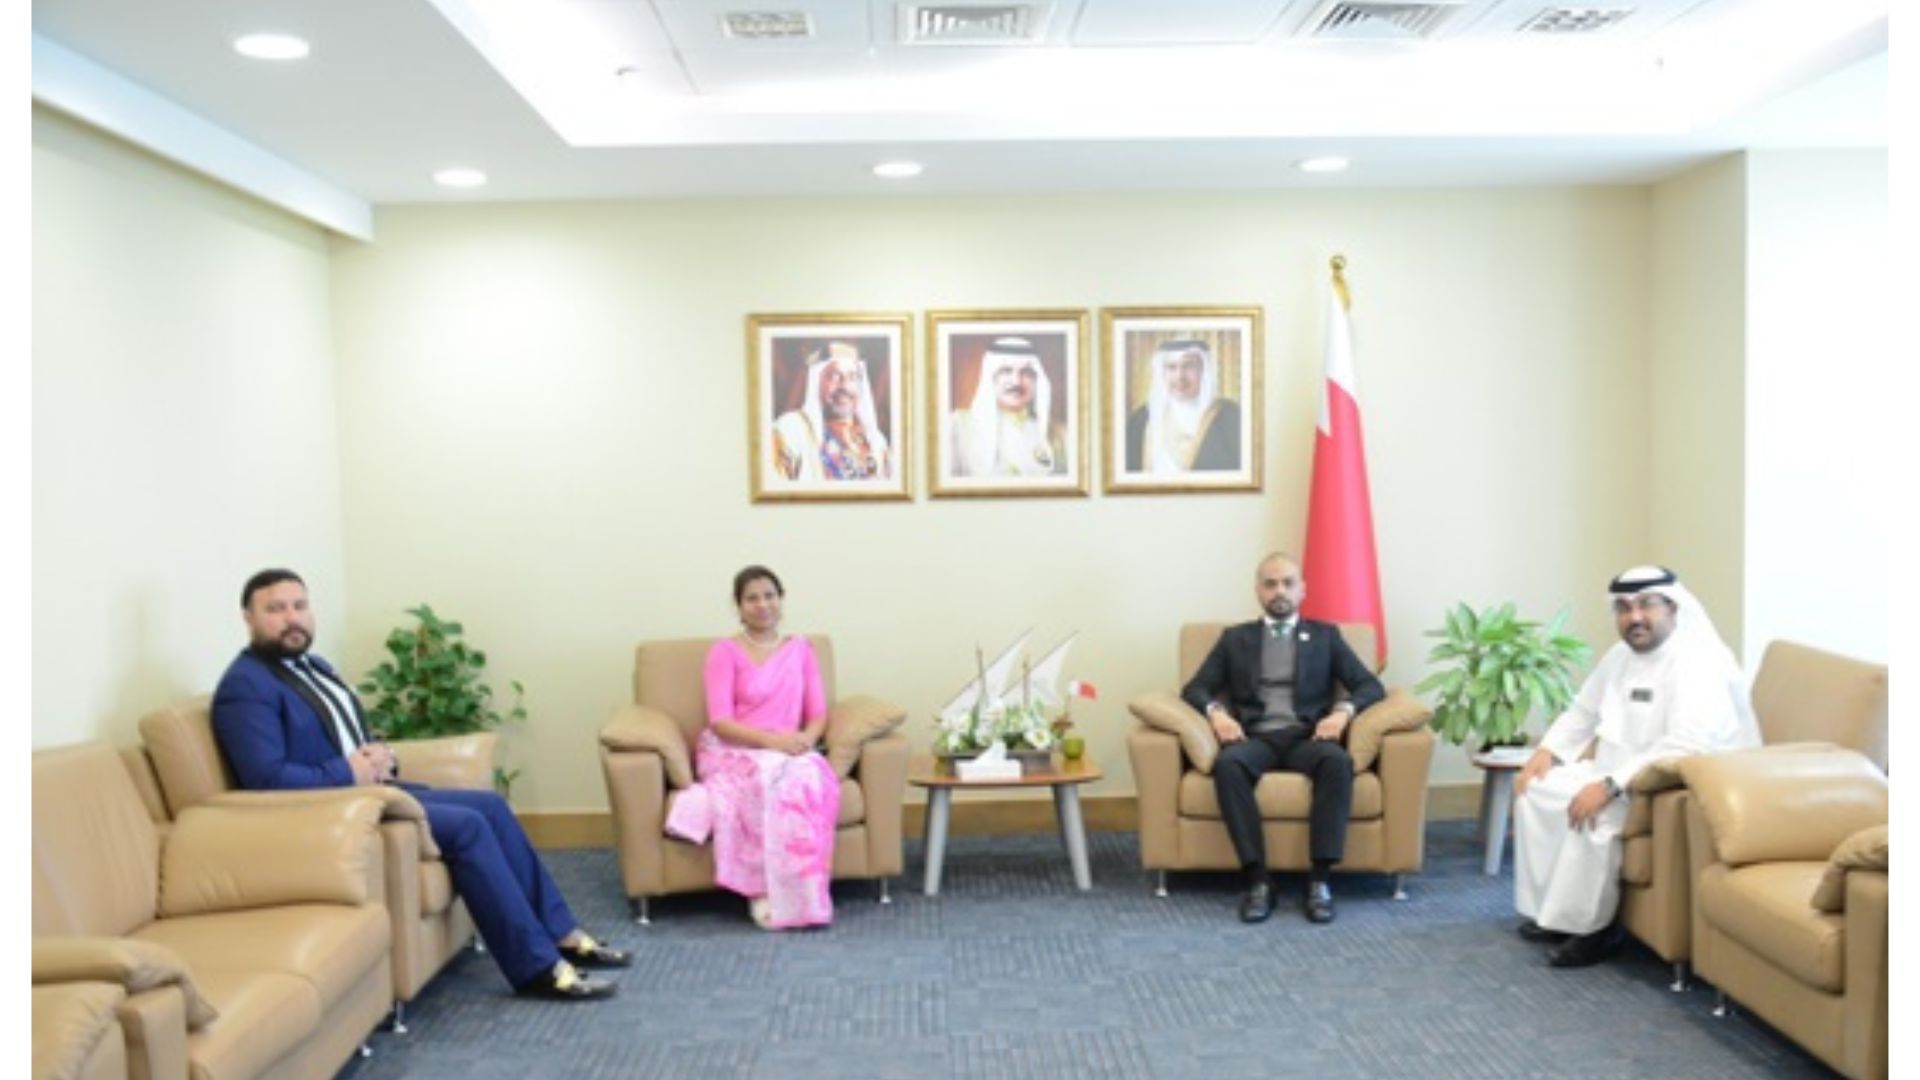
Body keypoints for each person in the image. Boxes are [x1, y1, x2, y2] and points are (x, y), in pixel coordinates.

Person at [211, 569, 628, 1001]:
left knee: (489, 805)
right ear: (248, 618)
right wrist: (348, 772)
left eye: (299, 606)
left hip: (369, 791)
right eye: (275, 609)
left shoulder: (315, 667)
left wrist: (381, 756)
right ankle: (536, 967)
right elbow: (266, 779)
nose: (291, 618)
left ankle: (562, 934)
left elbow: (348, 737)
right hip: (335, 809)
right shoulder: (246, 686)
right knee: (467, 826)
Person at [1512, 565, 1760, 968]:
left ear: (1673, 608)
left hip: (1672, 780)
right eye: (1624, 608)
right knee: (1537, 788)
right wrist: (1548, 752)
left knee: (1593, 814)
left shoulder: (1698, 660)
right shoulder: (1620, 656)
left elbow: (1687, 743)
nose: (1635, 617)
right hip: (1615, 768)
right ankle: (1554, 914)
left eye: (1647, 606)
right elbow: (1584, 709)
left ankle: (1594, 930)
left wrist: (1610, 785)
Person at [1181, 552, 1384, 924]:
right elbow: (1195, 688)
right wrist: (1217, 713)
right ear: (1258, 591)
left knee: (1338, 762)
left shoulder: (1326, 636)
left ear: (1302, 589)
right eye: (1270, 584)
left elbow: (1370, 685)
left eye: (1288, 583)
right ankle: (1258, 881)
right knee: (1228, 765)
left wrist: (1343, 712)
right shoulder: (1235, 639)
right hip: (1255, 737)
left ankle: (1319, 882)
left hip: (1308, 736)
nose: (1280, 591)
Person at [694, 565, 840, 929]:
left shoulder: (800, 649)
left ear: (781, 599)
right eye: (752, 598)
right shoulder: (724, 652)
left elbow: (818, 714)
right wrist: (773, 743)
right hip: (736, 747)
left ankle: (804, 893)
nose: (762, 605)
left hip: (790, 747)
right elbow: (720, 721)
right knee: (765, 783)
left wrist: (806, 740)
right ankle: (762, 890)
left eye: (769, 596)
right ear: (739, 607)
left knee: (808, 780)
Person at [771, 341, 893, 481]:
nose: (845, 386)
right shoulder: (790, 429)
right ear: (816, 382)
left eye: (853, 377)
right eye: (835, 376)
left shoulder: (876, 441)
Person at [949, 337, 1066, 478]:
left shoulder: (1060, 433)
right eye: (1006, 371)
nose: (1016, 382)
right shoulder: (958, 426)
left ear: (1037, 381)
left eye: (1026, 373)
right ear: (990, 377)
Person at [1123, 338, 1242, 474]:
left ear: (1204, 371)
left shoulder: (1231, 417)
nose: (1180, 376)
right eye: (1171, 367)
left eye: (1189, 366)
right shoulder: (1141, 420)